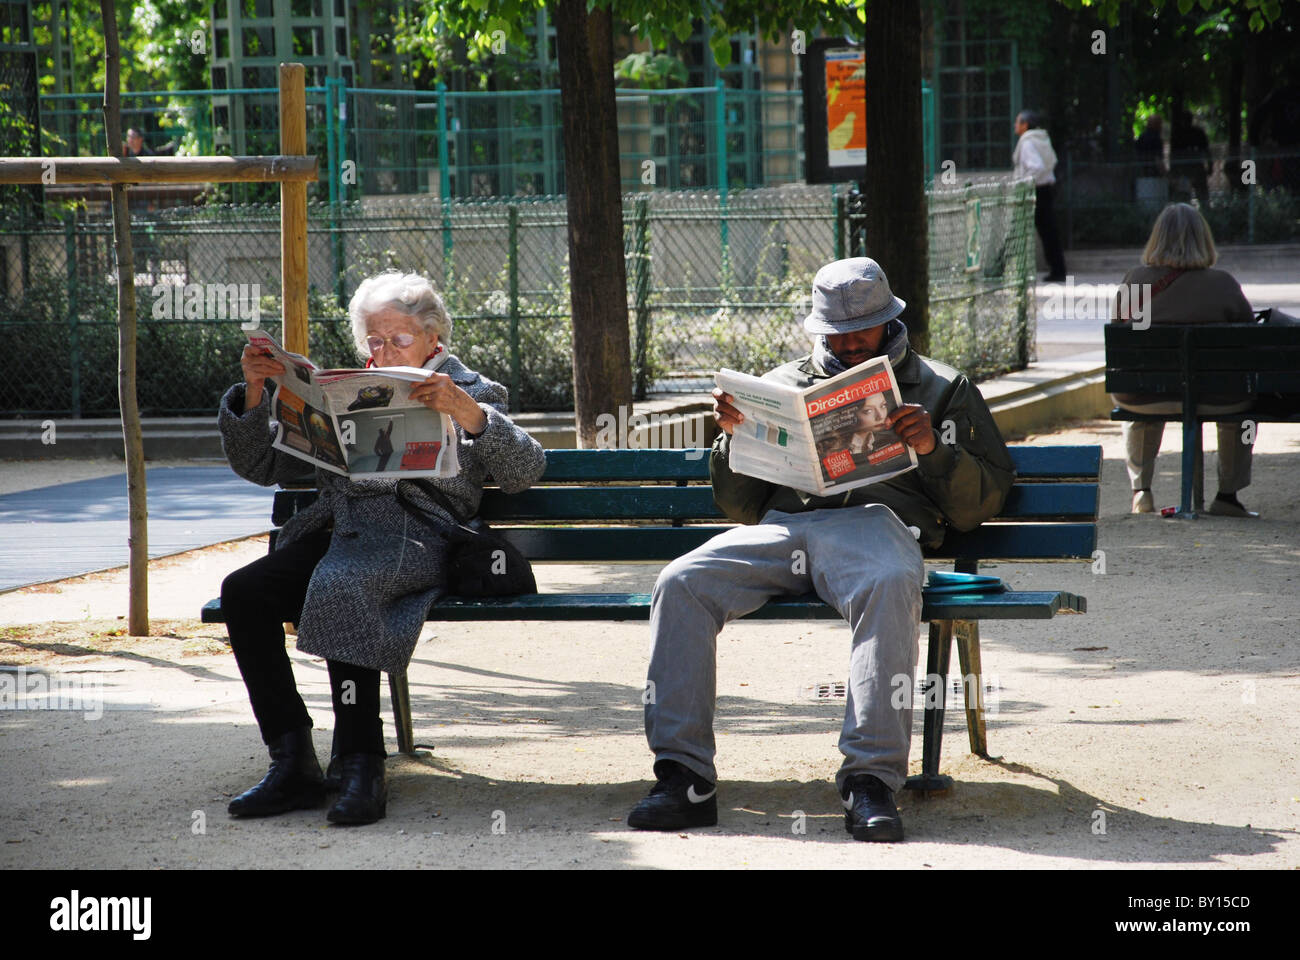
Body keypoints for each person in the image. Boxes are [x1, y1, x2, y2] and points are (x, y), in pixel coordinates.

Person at [627, 257, 1015, 842]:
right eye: (838, 333)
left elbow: (980, 503)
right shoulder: (779, 386)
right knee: (682, 581)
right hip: (785, 527)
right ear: (818, 329)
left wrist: (934, 448)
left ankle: (870, 781)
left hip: (876, 527)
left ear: (890, 323)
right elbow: (740, 508)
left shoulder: (943, 388)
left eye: (864, 330)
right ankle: (683, 777)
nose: (852, 342)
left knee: (888, 583)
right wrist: (730, 441)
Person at [218, 270, 546, 825]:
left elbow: (526, 470)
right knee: (244, 592)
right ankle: (292, 759)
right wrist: (256, 395)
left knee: (345, 581)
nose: (383, 349)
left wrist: (468, 414)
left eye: (398, 339)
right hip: (341, 528)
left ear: (433, 339)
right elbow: (260, 466)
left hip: (420, 537)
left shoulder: (472, 390)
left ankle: (362, 763)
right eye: (374, 339)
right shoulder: (342, 390)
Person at [1109, 203, 1258, 517]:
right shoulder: (1223, 284)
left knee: (1144, 385)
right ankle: (1227, 496)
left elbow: (1124, 341)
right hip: (1217, 397)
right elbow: (1250, 346)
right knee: (1239, 407)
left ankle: (1141, 492)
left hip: (1146, 396)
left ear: (1156, 239)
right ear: (1203, 239)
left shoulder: (1135, 281)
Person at [1013, 109, 1068, 282]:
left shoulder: (1028, 142)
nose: (1015, 126)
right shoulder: (1041, 139)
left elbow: (1035, 166)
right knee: (1049, 231)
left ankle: (1056, 270)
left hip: (1036, 190)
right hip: (1046, 188)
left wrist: (1025, 183)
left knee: (1024, 229)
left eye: (1017, 122)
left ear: (1025, 125)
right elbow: (1051, 162)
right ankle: (1058, 268)